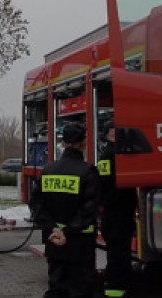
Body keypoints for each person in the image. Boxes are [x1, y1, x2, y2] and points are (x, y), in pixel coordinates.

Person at [29, 121, 101, 298]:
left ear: (62, 143)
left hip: (54, 241)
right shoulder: (88, 171)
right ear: (83, 143)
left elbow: (36, 204)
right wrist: (67, 232)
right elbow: (89, 209)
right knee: (81, 288)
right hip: (80, 243)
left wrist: (54, 228)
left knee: (56, 286)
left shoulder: (48, 170)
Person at [97, 118, 137, 298]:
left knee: (121, 252)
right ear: (109, 134)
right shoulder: (108, 155)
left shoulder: (114, 153)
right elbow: (107, 183)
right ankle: (114, 289)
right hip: (115, 213)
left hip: (119, 212)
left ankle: (123, 285)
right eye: (114, 130)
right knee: (117, 253)